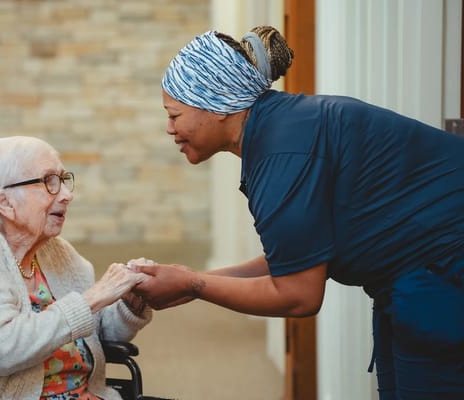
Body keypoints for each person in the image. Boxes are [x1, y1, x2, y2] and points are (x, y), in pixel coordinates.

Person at [131, 26, 464, 399]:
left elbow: (299, 295)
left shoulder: (283, 153)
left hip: (443, 270)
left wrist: (193, 285)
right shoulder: (282, 128)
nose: (169, 128)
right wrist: (193, 281)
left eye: (175, 115)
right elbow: (293, 259)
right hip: (416, 272)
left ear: (218, 103)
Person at [0, 136, 152, 400]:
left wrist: (129, 302)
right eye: (49, 182)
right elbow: (2, 350)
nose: (67, 194)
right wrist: (92, 299)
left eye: (63, 180)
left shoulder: (56, 251)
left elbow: (98, 334)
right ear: (6, 202)